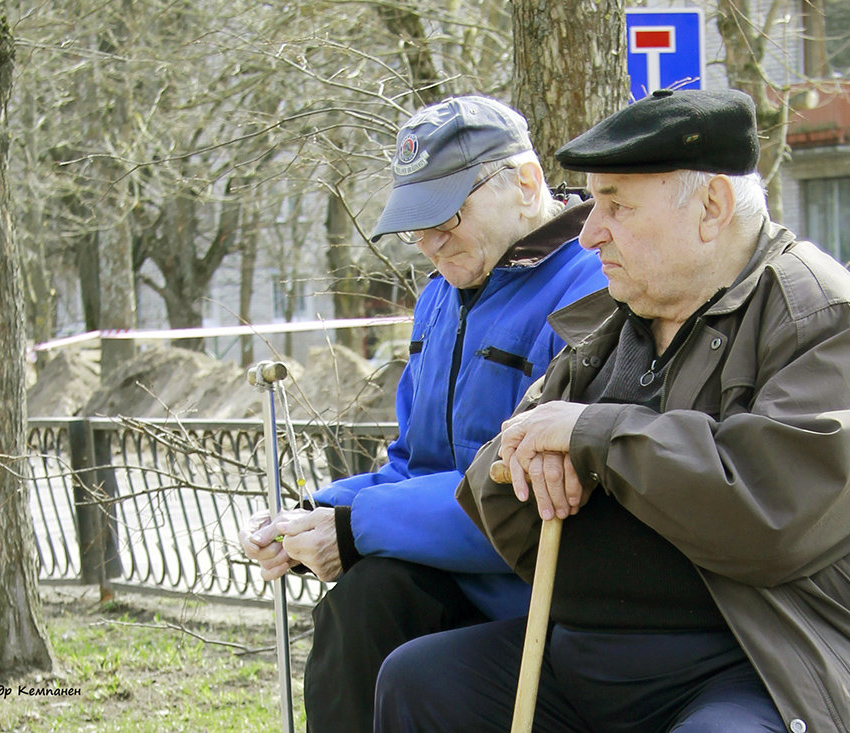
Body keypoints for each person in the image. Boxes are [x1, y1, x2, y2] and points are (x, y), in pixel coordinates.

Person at [373, 89, 850, 732]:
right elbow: (496, 491)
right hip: (598, 659)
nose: (589, 231)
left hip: (779, 659)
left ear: (711, 206)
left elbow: (768, 509)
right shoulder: (614, 325)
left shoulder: (829, 321)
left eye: (616, 204)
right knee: (423, 681)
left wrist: (597, 442)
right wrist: (530, 460)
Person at [238, 95, 606, 733]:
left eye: (447, 215)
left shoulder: (592, 285)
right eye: (416, 222)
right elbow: (415, 463)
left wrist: (353, 528)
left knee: (369, 600)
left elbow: (524, 494)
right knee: (362, 603)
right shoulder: (440, 296)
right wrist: (311, 516)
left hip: (540, 606)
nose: (430, 242)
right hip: (445, 584)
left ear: (524, 184)